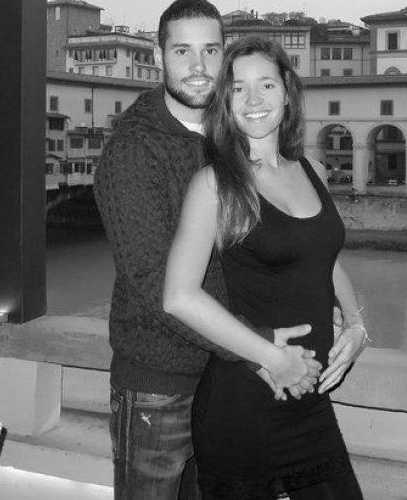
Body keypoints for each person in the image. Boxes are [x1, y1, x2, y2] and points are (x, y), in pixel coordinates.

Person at [94, 2, 320, 498]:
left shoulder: (230, 136)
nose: (198, 67)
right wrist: (262, 350)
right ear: (159, 57)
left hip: (229, 379)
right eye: (182, 52)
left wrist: (346, 315)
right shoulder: (133, 150)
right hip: (159, 389)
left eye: (210, 51)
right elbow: (158, 287)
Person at [163, 36, 369, 499]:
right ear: (225, 102)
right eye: (238, 88)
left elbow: (324, 260)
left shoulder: (312, 170)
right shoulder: (216, 184)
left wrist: (357, 326)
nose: (253, 100)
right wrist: (273, 358)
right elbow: (178, 296)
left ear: (288, 92)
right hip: (246, 404)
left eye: (266, 85)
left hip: (310, 403)